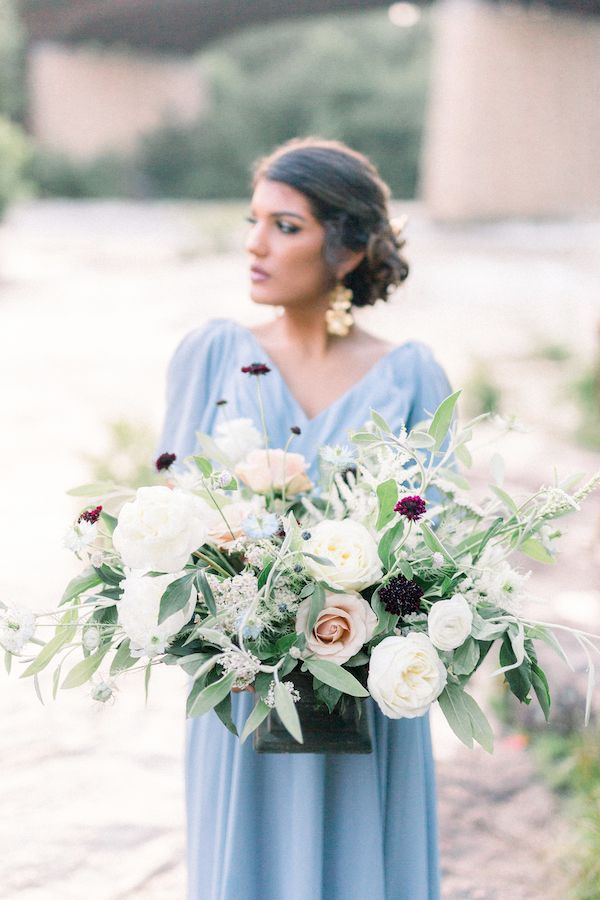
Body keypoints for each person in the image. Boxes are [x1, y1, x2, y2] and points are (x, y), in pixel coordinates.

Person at [159, 137, 451, 900]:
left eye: (286, 226)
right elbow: (171, 532)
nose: (255, 245)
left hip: (368, 693)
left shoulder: (412, 376)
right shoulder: (212, 356)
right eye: (254, 221)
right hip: (245, 693)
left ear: (349, 250)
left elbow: (436, 555)